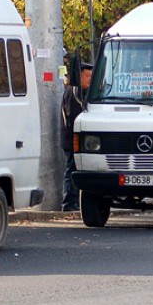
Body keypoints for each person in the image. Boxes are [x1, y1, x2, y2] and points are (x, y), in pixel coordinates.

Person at [61, 62, 93, 212]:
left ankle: (74, 203)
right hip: (72, 140)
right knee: (71, 170)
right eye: (87, 76)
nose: (90, 79)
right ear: (78, 76)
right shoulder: (74, 92)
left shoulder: (82, 91)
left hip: (78, 140)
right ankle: (69, 204)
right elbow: (74, 118)